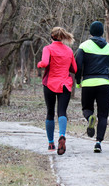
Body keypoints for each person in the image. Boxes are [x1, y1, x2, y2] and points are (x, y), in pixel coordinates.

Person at [75, 21, 109, 153]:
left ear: (90, 32)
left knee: (87, 108)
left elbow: (78, 66)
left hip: (88, 83)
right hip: (103, 84)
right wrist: (106, 76)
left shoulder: (84, 46)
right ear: (102, 32)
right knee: (103, 114)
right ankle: (98, 142)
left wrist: (78, 81)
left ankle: (90, 119)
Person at [37, 27, 77, 155]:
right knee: (62, 111)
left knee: (50, 112)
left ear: (51, 37)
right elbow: (74, 69)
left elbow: (44, 63)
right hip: (65, 84)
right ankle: (62, 135)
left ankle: (51, 143)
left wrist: (39, 64)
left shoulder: (47, 48)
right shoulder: (69, 50)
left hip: (50, 84)